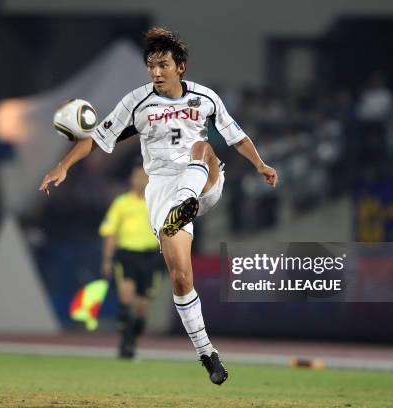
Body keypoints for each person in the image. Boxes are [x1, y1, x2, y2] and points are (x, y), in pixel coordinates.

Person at [40, 27, 278, 385]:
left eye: (163, 65)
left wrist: (260, 164)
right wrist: (63, 165)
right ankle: (207, 353)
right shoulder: (136, 103)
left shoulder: (205, 98)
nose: (156, 72)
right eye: (151, 65)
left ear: (180, 66)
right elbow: (97, 139)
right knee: (181, 277)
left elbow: (236, 135)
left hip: (203, 182)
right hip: (162, 193)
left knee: (204, 147)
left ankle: (186, 202)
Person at [99, 162, 163, 359]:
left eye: (143, 176)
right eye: (137, 176)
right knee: (126, 298)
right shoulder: (121, 203)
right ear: (131, 179)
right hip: (127, 254)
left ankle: (132, 339)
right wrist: (107, 260)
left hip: (150, 256)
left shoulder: (157, 202)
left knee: (142, 307)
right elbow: (110, 233)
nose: (140, 180)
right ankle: (125, 345)